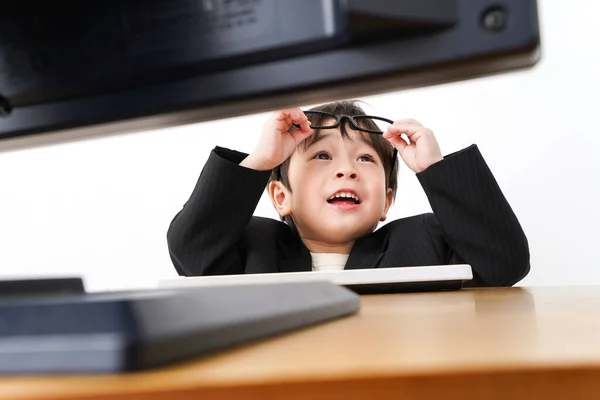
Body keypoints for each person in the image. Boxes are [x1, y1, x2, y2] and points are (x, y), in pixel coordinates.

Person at [166, 100, 530, 287]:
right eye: (322, 156)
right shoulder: (250, 246)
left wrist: (435, 168)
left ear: (386, 201)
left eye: (365, 159)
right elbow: (192, 250)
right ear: (281, 197)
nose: (347, 170)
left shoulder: (425, 241)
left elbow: (504, 263)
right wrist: (261, 160)